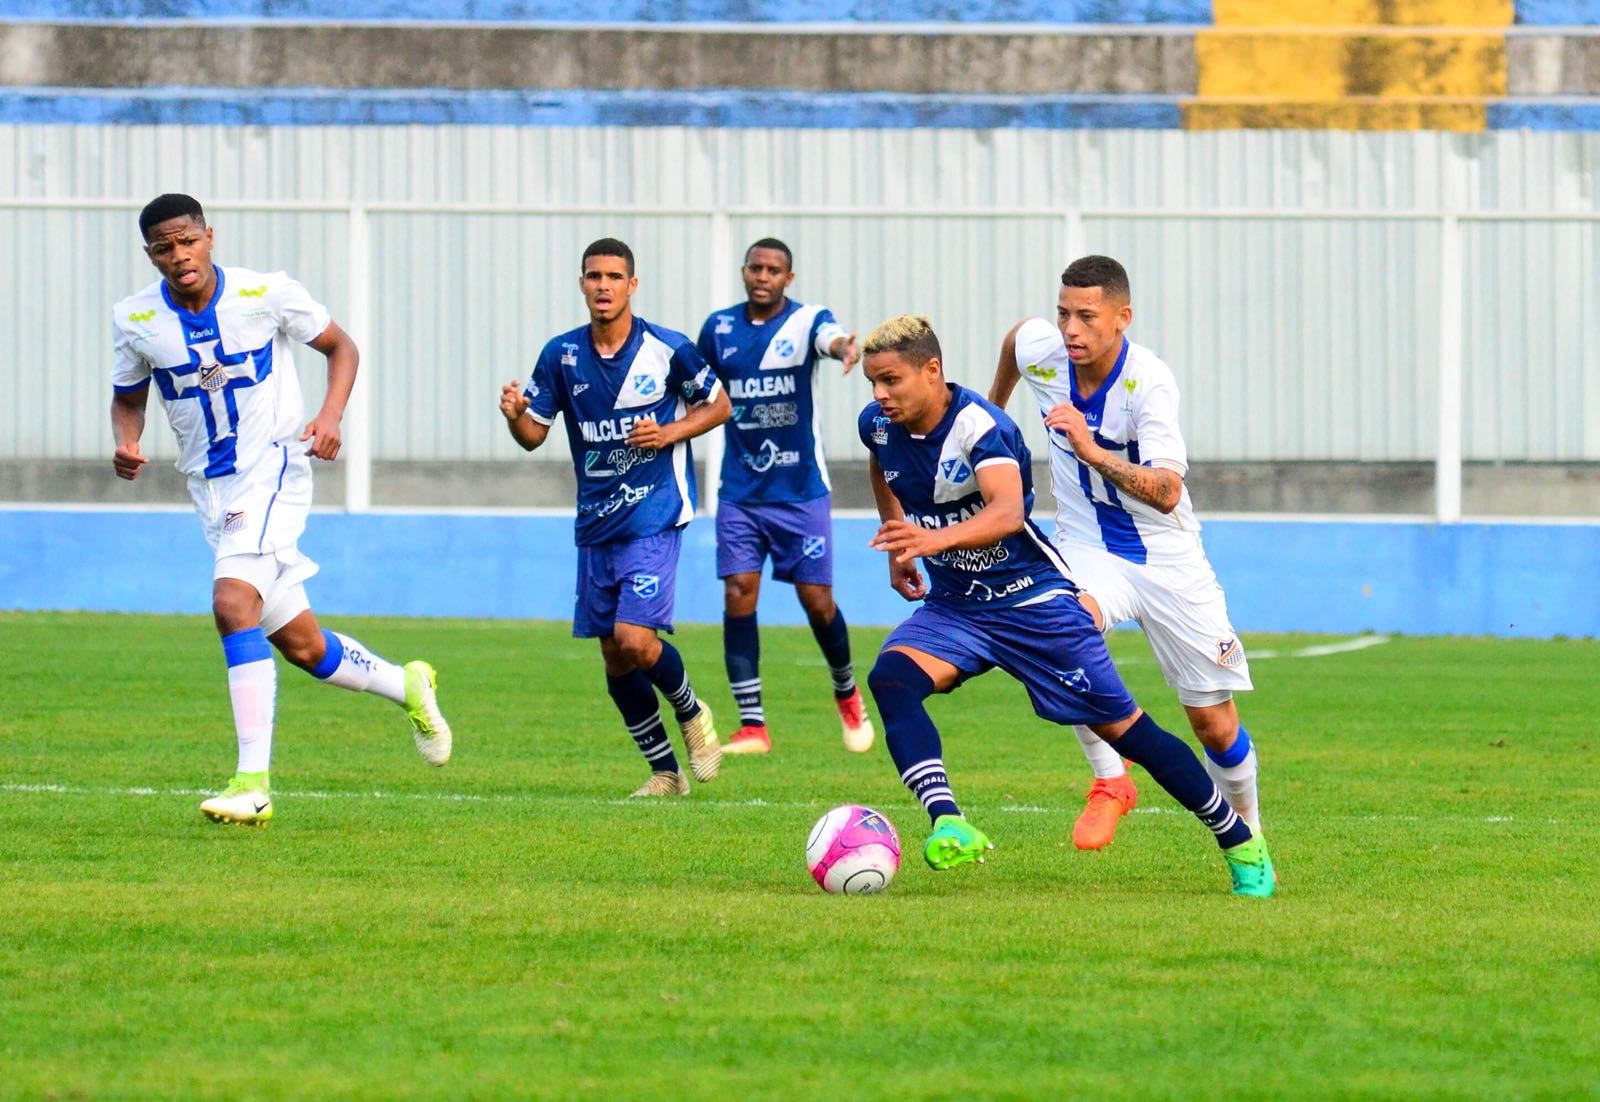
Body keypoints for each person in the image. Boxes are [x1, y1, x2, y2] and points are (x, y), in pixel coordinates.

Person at [857, 314, 1273, 896]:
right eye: (873, 382)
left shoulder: (982, 429)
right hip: (957, 605)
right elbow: (884, 466)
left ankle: (1237, 839)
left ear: (932, 370)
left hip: (1033, 604)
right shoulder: (878, 424)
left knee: (1131, 731)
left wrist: (933, 540)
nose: (880, 394)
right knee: (892, 678)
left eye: (890, 381)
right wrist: (897, 538)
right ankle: (947, 819)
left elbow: (1006, 512)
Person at [110, 193, 452, 826]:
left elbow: (341, 346)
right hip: (209, 492)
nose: (179, 255)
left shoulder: (265, 293)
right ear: (151, 253)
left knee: (231, 603)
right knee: (302, 645)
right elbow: (128, 395)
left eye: (188, 240)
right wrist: (126, 440)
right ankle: (407, 684)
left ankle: (252, 784)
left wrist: (329, 416)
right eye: (164, 247)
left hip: (274, 469)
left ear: (210, 236)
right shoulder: (134, 318)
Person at [989, 255, 1265, 851]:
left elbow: (1167, 493)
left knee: (1213, 725)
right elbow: (1017, 340)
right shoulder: (1045, 350)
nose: (1070, 330)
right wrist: (990, 415)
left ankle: (1251, 831)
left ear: (1122, 318)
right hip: (1085, 545)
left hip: (1167, 557)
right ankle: (1112, 779)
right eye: (1064, 313)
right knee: (1057, 626)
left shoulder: (1150, 382)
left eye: (1087, 317)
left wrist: (1090, 449)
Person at [500, 238, 731, 797]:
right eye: (593, 276)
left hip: (655, 512)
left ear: (632, 285)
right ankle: (665, 774)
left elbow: (720, 405)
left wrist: (670, 432)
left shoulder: (667, 349)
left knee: (634, 638)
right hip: (596, 521)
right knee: (613, 651)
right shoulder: (561, 355)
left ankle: (692, 710)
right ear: (582, 284)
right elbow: (534, 435)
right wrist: (513, 417)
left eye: (613, 276)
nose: (603, 285)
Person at [696, 238, 874, 755]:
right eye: (756, 267)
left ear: (788, 278)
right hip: (740, 491)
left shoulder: (805, 321)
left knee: (817, 602)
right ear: (744, 271)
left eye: (774, 270)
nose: (763, 276)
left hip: (800, 492)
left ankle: (847, 694)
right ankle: (753, 726)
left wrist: (845, 348)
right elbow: (694, 381)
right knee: (737, 594)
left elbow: (830, 337)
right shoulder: (720, 328)